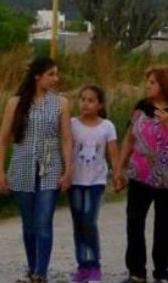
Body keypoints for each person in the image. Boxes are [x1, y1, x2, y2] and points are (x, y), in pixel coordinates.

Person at [117, 67, 168, 283]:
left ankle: (161, 271)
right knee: (134, 223)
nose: (148, 85)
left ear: (164, 84)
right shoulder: (141, 108)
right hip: (140, 176)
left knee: (166, 227)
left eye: (152, 82)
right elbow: (129, 138)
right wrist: (118, 168)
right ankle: (136, 272)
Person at [0, 58, 72, 283]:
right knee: (29, 224)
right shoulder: (15, 103)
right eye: (51, 74)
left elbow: (66, 139)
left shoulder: (60, 103)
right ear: (38, 76)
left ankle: (41, 274)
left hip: (50, 167)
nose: (55, 79)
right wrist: (0, 172)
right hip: (22, 166)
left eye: (56, 74)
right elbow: (2, 140)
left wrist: (68, 170)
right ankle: (32, 269)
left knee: (44, 222)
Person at [68, 86, 120, 283]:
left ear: (100, 104)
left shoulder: (106, 126)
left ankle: (94, 264)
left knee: (89, 221)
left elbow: (113, 153)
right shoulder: (72, 124)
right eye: (82, 99)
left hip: (95, 181)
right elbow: (66, 147)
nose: (85, 104)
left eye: (91, 100)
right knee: (78, 223)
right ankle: (82, 264)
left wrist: (116, 175)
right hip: (75, 181)